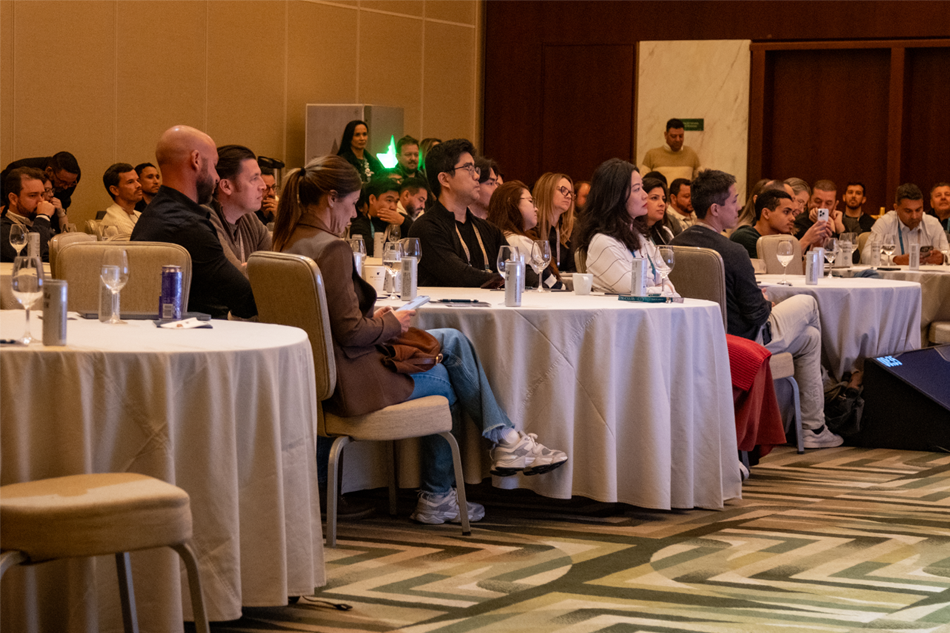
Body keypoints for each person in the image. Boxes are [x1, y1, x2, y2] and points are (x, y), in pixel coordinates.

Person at [271, 155, 567, 524]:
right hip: (349, 379)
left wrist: (375, 319)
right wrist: (392, 324)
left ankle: (503, 439)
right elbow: (349, 332)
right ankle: (445, 490)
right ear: (332, 198)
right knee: (449, 380)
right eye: (350, 205)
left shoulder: (285, 242)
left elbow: (327, 322)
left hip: (312, 375)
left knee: (453, 342)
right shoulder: (331, 248)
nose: (352, 215)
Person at [670, 169, 842, 449]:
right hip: (744, 339)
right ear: (716, 209)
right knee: (809, 303)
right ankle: (823, 404)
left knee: (810, 338)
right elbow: (757, 314)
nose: (739, 206)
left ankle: (814, 427)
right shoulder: (733, 250)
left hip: (695, 337)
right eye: (734, 200)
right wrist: (766, 302)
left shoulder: (674, 245)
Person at [131, 125, 257, 319]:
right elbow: (246, 301)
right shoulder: (188, 227)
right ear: (196, 160)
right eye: (214, 166)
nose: (216, 177)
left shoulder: (154, 213)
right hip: (201, 339)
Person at [407, 139, 518, 288]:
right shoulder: (425, 228)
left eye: (475, 169)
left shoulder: (489, 230)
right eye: (468, 168)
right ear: (445, 179)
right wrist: (502, 278)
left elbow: (516, 269)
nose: (477, 176)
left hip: (491, 309)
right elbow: (459, 275)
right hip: (444, 311)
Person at [575, 159, 674, 295]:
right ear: (616, 197)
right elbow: (636, 291)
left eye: (642, 187)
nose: (645, 195)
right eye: (637, 189)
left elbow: (667, 282)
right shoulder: (603, 243)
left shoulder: (641, 236)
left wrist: (664, 288)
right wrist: (664, 289)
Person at [206, 145, 272, 273]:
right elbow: (234, 277)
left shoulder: (250, 218)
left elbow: (280, 267)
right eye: (254, 178)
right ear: (226, 186)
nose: (263, 186)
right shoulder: (206, 220)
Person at [487, 180, 559, 289]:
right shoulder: (518, 241)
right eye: (531, 201)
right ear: (512, 203)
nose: (536, 209)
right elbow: (550, 285)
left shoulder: (501, 236)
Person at [730, 189, 831, 259]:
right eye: (786, 212)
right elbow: (774, 271)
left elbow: (798, 273)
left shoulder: (782, 239)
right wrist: (805, 240)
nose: (793, 218)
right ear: (766, 213)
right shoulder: (745, 237)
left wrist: (815, 246)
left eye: (792, 213)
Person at [862, 183, 948, 265]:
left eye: (918, 210)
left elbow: (947, 253)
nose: (914, 216)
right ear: (896, 208)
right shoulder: (884, 223)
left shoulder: (933, 224)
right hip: (893, 279)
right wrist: (896, 260)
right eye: (908, 211)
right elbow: (866, 256)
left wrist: (943, 258)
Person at [0, 152, 81, 225]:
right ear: (49, 171)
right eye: (62, 181)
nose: (66, 187)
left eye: (70, 184)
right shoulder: (18, 169)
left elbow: (64, 200)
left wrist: (61, 214)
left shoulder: (72, 178)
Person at [0, 167, 54, 262]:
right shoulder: (3, 228)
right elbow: (27, 260)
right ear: (13, 199)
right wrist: (43, 217)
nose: (41, 201)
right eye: (32, 195)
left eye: (42, 195)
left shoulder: (37, 224)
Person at [349, 176, 413, 256]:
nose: (393, 207)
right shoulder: (360, 225)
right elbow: (371, 250)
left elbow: (415, 246)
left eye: (396, 202)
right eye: (389, 200)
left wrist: (404, 222)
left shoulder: (402, 221)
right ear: (372, 199)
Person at [533, 172, 577, 273]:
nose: (569, 196)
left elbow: (573, 268)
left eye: (570, 193)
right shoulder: (532, 226)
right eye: (563, 190)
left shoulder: (571, 228)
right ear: (546, 191)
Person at [639, 118, 702, 183]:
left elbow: (701, 180)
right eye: (673, 136)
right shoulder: (651, 155)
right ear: (666, 135)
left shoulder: (691, 154)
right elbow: (643, 181)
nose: (678, 140)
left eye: (681, 136)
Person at [100, 162, 143, 240]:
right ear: (115, 190)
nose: (139, 185)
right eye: (130, 182)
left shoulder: (139, 215)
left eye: (138, 180)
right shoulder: (115, 223)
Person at [643, 178, 673, 246]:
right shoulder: (632, 235)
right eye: (654, 198)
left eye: (663, 199)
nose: (662, 203)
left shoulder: (666, 233)